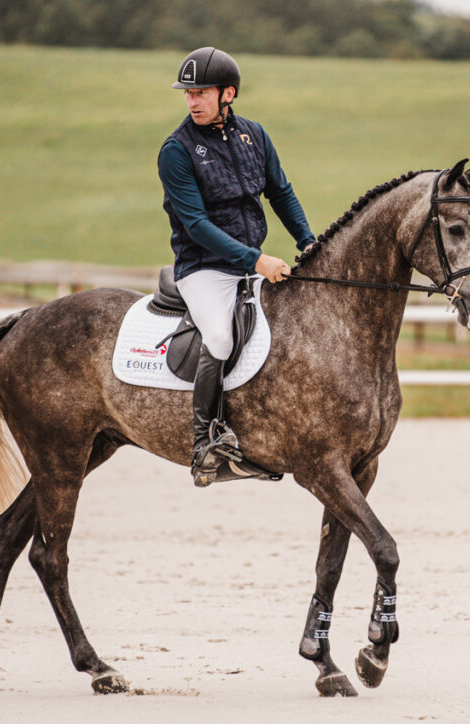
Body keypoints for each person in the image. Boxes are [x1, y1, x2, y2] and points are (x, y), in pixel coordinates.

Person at [158, 47, 316, 486]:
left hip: (248, 266)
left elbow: (280, 193)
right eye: (188, 93)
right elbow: (196, 225)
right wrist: (257, 260)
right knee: (222, 337)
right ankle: (203, 441)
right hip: (204, 269)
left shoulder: (254, 135)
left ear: (228, 93)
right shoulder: (176, 151)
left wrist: (308, 241)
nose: (192, 101)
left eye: (202, 92)